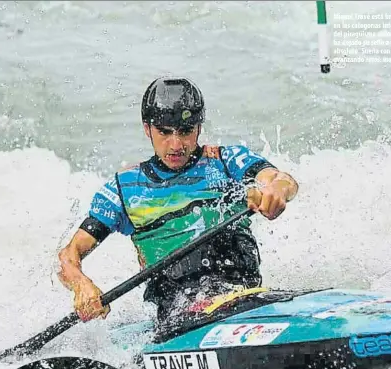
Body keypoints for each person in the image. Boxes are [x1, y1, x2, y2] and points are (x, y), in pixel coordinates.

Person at [57, 76, 299, 324]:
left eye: (185, 132)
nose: (176, 145)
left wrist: (276, 190)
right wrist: (81, 285)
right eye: (164, 132)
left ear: (199, 128)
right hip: (179, 315)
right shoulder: (124, 189)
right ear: (146, 128)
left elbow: (282, 180)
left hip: (244, 298)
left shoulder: (226, 161)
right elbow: (70, 254)